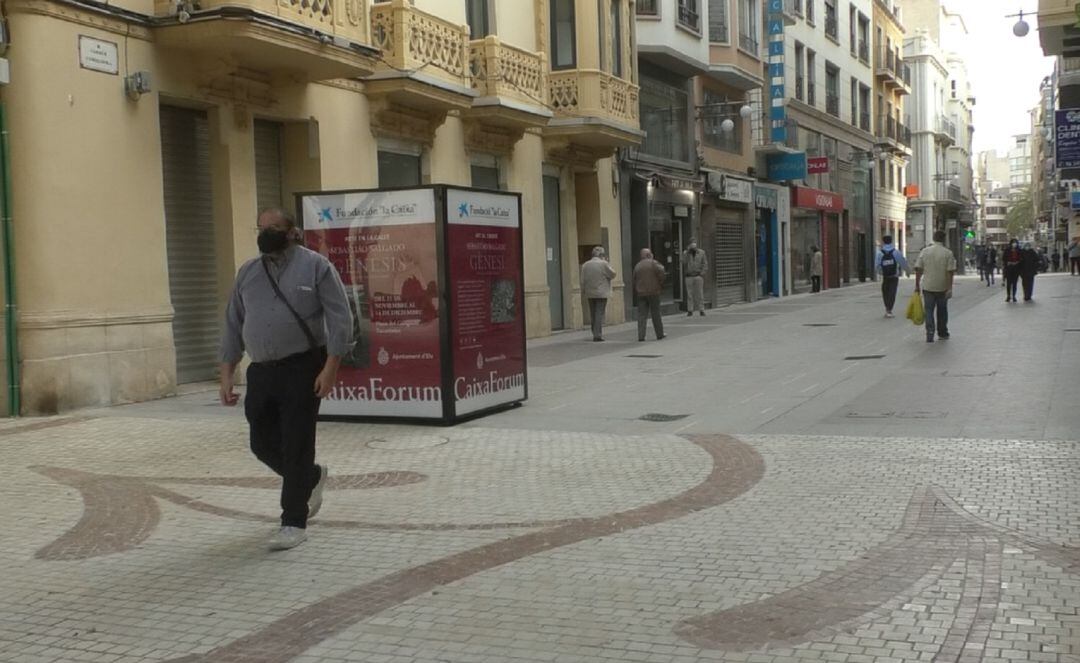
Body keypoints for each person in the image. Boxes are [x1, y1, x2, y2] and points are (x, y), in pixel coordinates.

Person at [219, 207, 354, 551]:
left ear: (292, 231)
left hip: (303, 367)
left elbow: (340, 319)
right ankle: (309, 477)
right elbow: (234, 321)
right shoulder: (248, 272)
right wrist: (227, 373)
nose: (266, 233)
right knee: (261, 442)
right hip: (261, 370)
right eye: (261, 227)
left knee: (296, 442)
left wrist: (331, 368)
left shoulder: (317, 267)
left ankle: (293, 521)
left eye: (275, 227)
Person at [913, 230, 956, 343]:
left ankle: (930, 332)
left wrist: (917, 285)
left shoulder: (925, 251)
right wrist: (950, 288)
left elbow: (918, 269)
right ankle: (942, 332)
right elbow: (950, 272)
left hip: (928, 286)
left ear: (934, 238)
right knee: (942, 311)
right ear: (943, 239)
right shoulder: (948, 253)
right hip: (943, 286)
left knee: (928, 310)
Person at [580, 246, 616, 342]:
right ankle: (597, 335)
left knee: (593, 313)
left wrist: (583, 291)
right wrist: (608, 263)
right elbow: (613, 274)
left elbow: (582, 280)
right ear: (601, 255)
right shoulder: (604, 264)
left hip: (590, 292)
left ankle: (594, 332)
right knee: (599, 313)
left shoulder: (585, 265)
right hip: (601, 292)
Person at [633, 248, 666, 342]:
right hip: (653, 292)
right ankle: (659, 334)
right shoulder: (654, 263)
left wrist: (637, 289)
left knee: (641, 315)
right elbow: (662, 272)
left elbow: (634, 279)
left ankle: (641, 336)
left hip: (641, 293)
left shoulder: (637, 266)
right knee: (656, 313)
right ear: (649, 254)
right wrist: (660, 283)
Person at [874, 235, 909, 318]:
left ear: (883, 242)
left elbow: (877, 266)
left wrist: (881, 273)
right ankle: (889, 309)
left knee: (885, 292)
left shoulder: (879, 253)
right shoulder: (896, 252)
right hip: (894, 276)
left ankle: (887, 308)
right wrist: (907, 272)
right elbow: (902, 262)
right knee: (892, 293)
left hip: (885, 277)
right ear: (891, 241)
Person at [682, 239, 707, 316]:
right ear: (689, 245)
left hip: (698, 275)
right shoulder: (686, 253)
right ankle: (690, 310)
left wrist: (702, 273)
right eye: (691, 243)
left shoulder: (701, 252)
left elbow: (705, 264)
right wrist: (687, 253)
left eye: (694, 243)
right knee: (689, 294)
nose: (693, 245)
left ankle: (701, 310)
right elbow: (683, 262)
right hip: (689, 276)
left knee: (700, 293)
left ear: (696, 244)